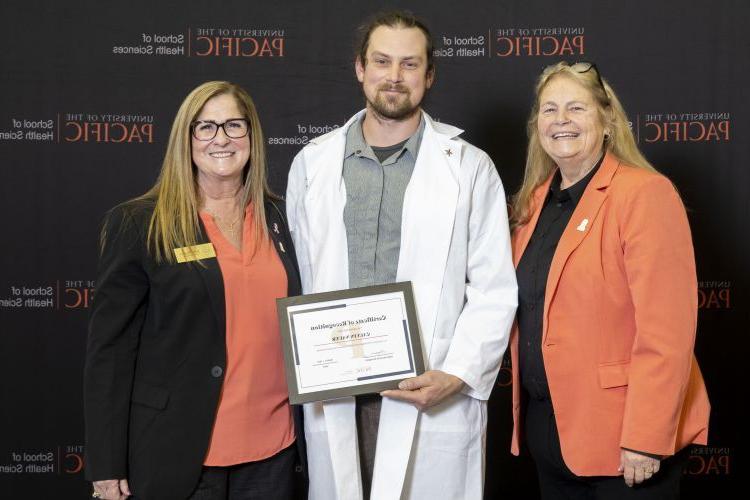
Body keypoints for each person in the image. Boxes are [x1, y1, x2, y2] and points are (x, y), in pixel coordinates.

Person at [286, 11, 517, 500]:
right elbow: (302, 276)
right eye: (382, 61)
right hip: (337, 391)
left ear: (429, 75)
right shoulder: (313, 163)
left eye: (410, 64)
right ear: (360, 69)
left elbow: (494, 287)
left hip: (428, 388)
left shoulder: (469, 168)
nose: (394, 76)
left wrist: (456, 375)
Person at [84, 81, 306, 500]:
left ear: (252, 137)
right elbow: (109, 353)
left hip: (274, 455)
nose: (221, 138)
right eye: (205, 127)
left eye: (234, 126)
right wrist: (106, 462)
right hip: (178, 453)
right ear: (186, 139)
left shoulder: (283, 216)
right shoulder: (139, 223)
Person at [509, 61, 710, 499]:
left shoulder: (644, 194)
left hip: (624, 441)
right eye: (549, 109)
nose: (561, 120)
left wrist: (646, 435)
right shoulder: (533, 202)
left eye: (576, 108)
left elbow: (667, 332)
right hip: (551, 433)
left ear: (607, 120)